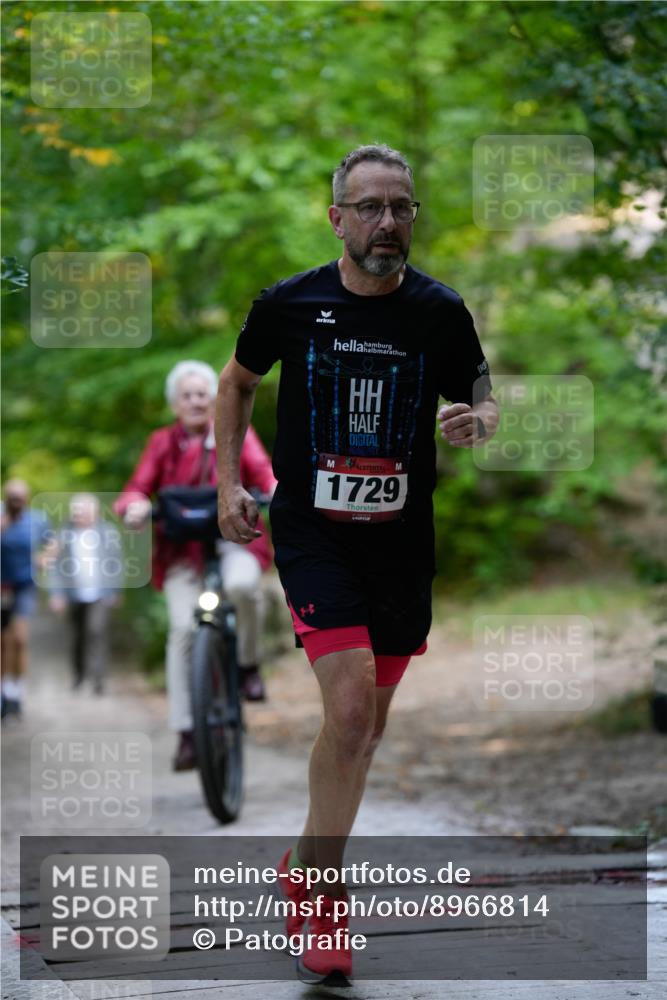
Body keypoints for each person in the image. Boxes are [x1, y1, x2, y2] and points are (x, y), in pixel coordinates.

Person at [215, 144, 499, 984]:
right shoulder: (289, 303)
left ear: (414, 216)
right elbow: (235, 384)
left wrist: (478, 421)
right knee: (345, 716)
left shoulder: (439, 311)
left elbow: (479, 392)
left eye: (401, 207)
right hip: (313, 534)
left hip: (402, 542)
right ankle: (324, 895)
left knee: (367, 729)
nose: (387, 222)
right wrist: (228, 481)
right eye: (370, 207)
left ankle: (303, 861)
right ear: (335, 216)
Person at [114, 360, 276, 772]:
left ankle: (248, 665)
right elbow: (136, 488)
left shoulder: (237, 432)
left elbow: (263, 472)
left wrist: (276, 493)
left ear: (215, 398)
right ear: (175, 404)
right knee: (183, 630)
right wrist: (133, 507)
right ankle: (188, 732)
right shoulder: (161, 443)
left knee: (243, 588)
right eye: (186, 395)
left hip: (232, 541)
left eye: (203, 393)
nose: (196, 401)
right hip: (180, 552)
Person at [47, 493, 121, 695]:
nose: (82, 516)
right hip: (74, 594)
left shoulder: (108, 532)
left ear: (95, 513)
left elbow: (116, 563)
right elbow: (55, 566)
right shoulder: (63, 533)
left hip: (100, 593)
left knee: (97, 632)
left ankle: (98, 680)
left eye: (86, 512)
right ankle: (79, 675)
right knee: (78, 636)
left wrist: (115, 590)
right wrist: (56, 594)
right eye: (78, 512)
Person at [1, 478, 51, 719]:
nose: (16, 502)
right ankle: (3, 692)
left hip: (24, 585)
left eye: (20, 498)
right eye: (12, 498)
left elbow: (52, 543)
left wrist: (44, 556)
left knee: (19, 639)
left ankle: (16, 692)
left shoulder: (37, 519)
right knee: (2, 642)